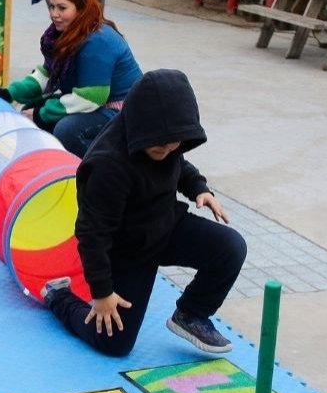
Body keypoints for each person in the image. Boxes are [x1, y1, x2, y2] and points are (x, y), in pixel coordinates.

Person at [41, 69, 246, 357]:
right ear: (139, 126)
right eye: (160, 145)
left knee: (230, 247)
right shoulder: (106, 166)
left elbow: (178, 163)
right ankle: (58, 295)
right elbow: (92, 234)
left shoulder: (165, 141)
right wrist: (101, 292)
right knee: (114, 342)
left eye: (174, 142)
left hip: (165, 226)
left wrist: (199, 188)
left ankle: (190, 314)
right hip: (126, 251)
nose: (167, 149)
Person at [0, 0, 142, 156]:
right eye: (52, 6)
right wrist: (8, 93)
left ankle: (101, 169)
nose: (54, 14)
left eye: (62, 8)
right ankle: (44, 166)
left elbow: (91, 97)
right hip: (94, 103)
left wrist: (40, 114)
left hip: (122, 109)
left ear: (81, 9)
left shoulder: (98, 39)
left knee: (67, 130)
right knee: (29, 110)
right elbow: (45, 77)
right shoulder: (61, 34)